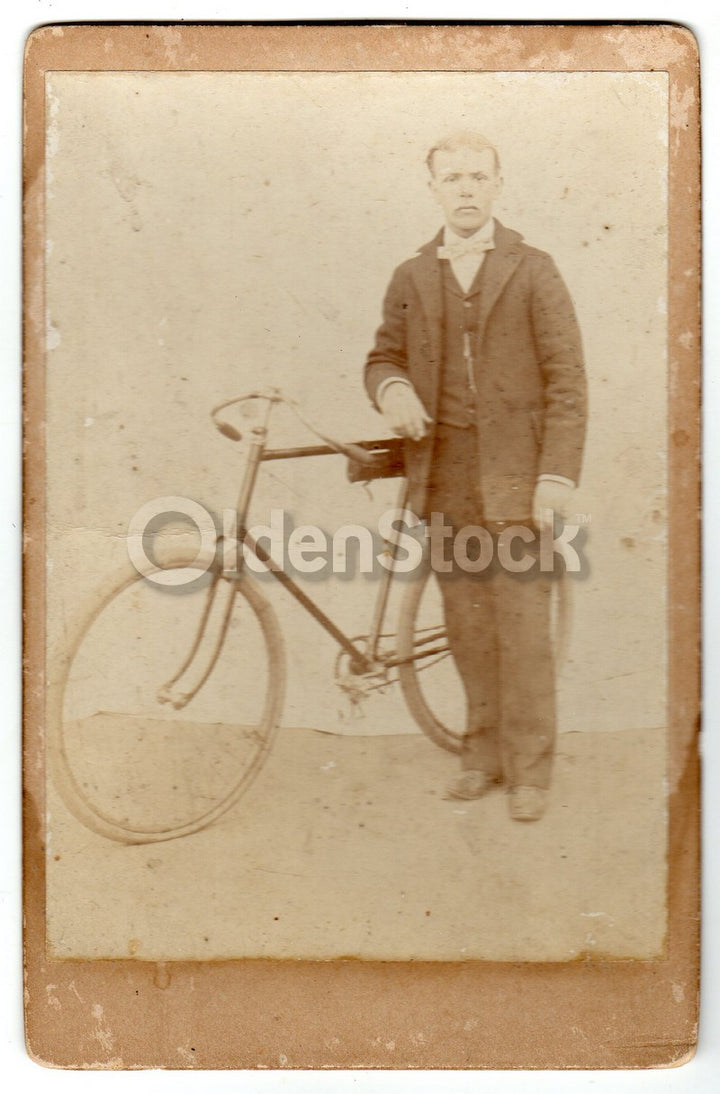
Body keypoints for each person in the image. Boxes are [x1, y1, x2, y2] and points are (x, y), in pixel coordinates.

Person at [364, 131, 587, 821]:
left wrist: (555, 477)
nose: (465, 189)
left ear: (497, 185)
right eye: (452, 177)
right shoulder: (411, 275)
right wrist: (394, 389)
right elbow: (382, 357)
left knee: (522, 622)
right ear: (432, 187)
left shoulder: (534, 269)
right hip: (449, 473)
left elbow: (568, 382)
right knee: (467, 623)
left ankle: (530, 772)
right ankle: (480, 754)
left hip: (520, 475)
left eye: (477, 177)